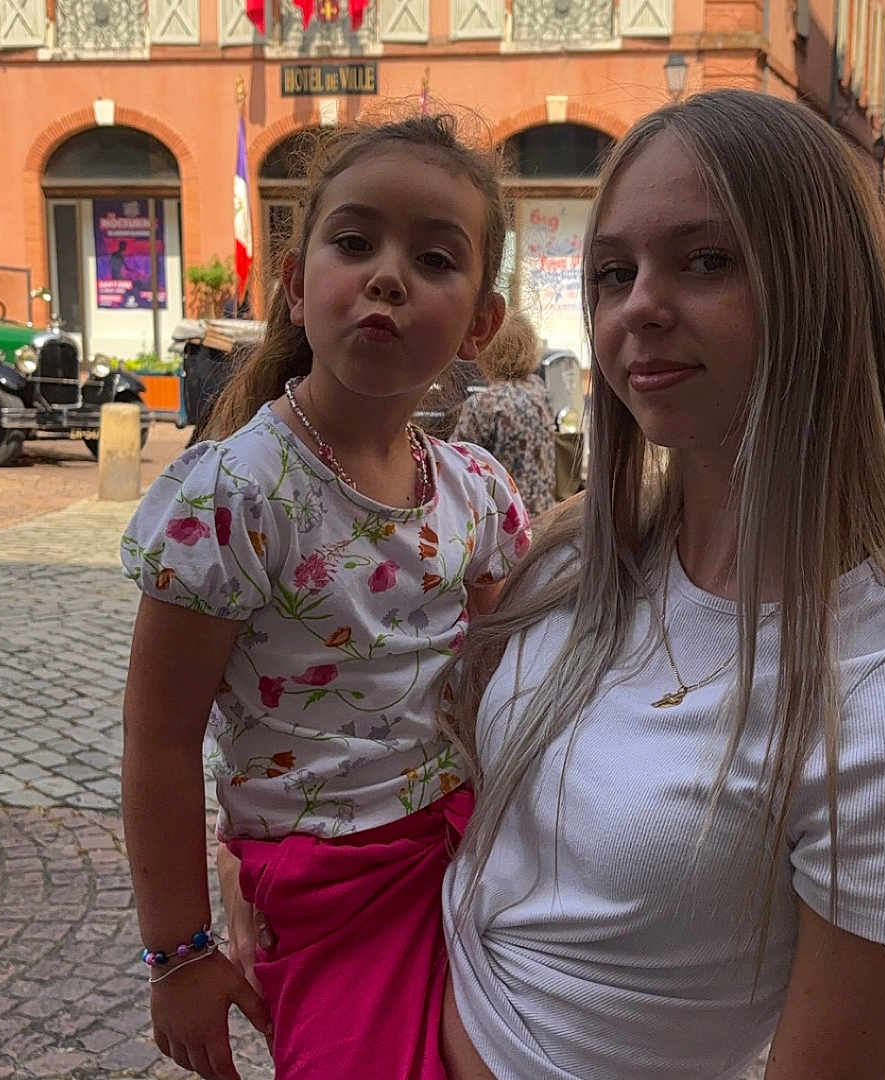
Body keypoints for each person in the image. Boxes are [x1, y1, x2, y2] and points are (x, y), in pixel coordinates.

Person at [223, 91, 885, 1080]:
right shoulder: (570, 553)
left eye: (707, 260)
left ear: (825, 291)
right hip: (391, 1021)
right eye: (614, 273)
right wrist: (273, 840)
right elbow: (378, 704)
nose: (640, 306)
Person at [120, 113, 530, 1080]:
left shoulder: (477, 490)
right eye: (355, 243)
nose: (388, 275)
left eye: (434, 258)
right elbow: (160, 736)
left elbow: (518, 675)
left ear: (480, 323)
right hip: (327, 887)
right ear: (298, 286)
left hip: (472, 855)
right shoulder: (235, 496)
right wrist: (178, 953)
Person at [450, 309, 556, 516]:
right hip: (542, 515)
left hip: (505, 526)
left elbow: (454, 469)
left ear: (489, 351)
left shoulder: (485, 404)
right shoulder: (538, 390)